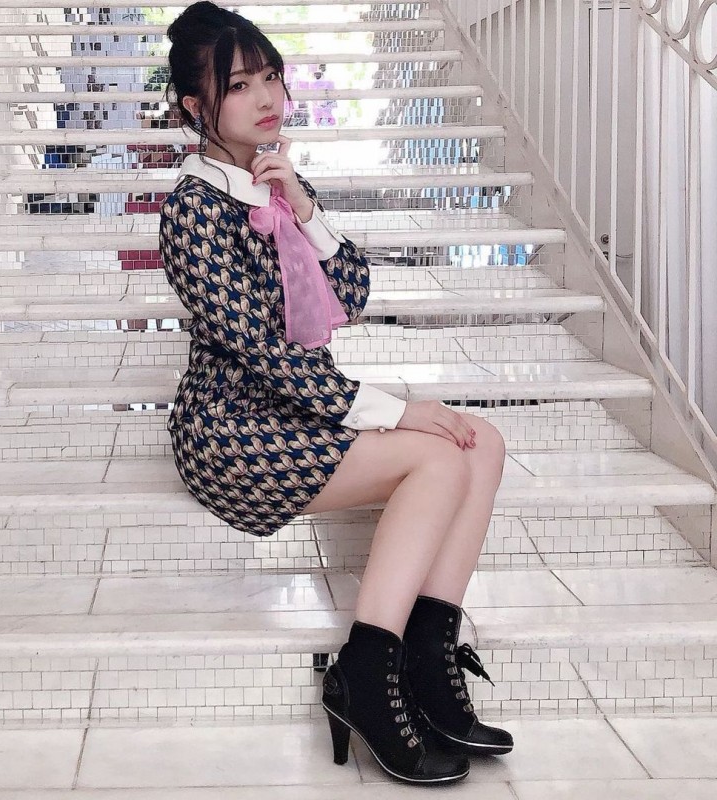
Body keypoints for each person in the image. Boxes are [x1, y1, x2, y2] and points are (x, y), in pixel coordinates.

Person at [158, 0, 513, 785]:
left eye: (271, 77)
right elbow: (266, 357)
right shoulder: (191, 212)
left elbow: (349, 293)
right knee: (438, 457)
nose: (267, 97)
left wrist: (305, 208)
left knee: (482, 442)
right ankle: (366, 674)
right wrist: (401, 411)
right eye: (240, 84)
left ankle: (428, 663)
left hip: (295, 408)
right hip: (233, 428)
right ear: (195, 105)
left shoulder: (274, 183)